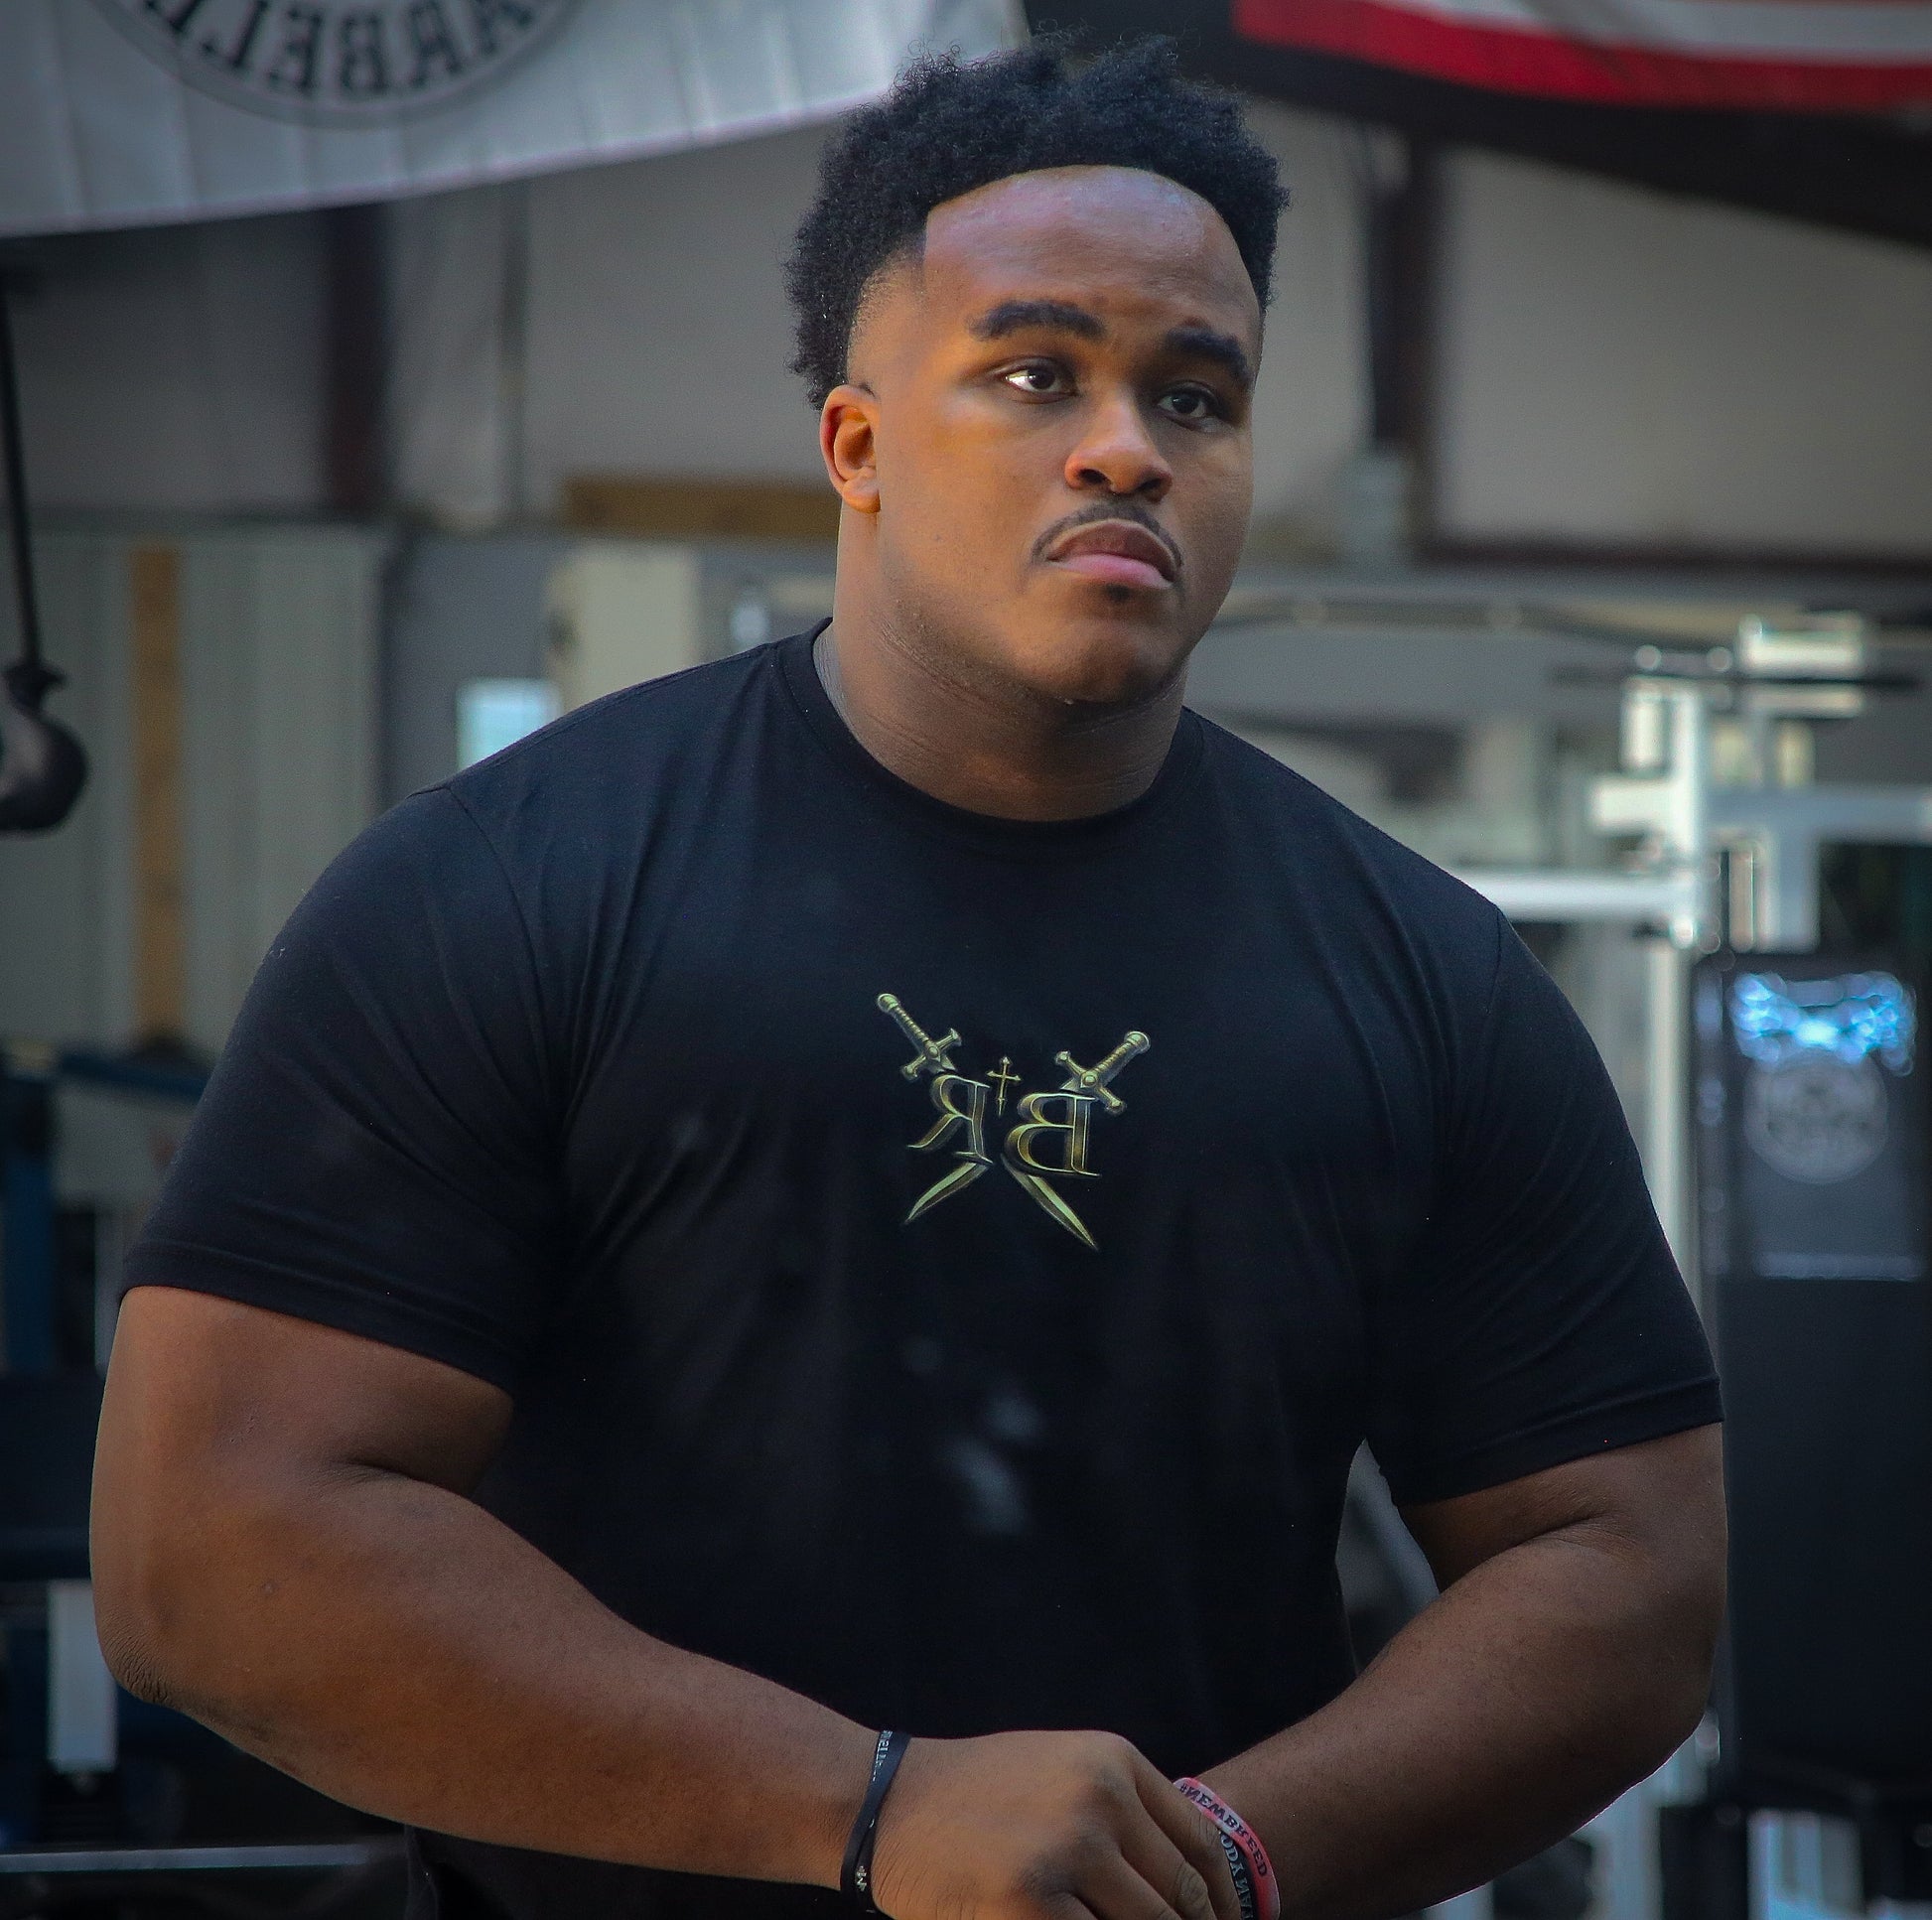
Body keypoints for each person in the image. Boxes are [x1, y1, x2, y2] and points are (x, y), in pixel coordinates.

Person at [91, 39, 1725, 1920]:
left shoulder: (1423, 976)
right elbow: (207, 1548)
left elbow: (1626, 1567)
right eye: (1036, 375)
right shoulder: (503, 891)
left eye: (1194, 396)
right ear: (856, 448)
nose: (1125, 446)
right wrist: (866, 1812)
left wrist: (1210, 1866)